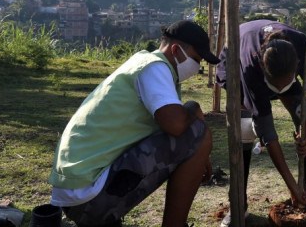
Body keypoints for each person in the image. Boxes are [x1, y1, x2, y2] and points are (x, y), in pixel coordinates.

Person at [49, 20, 218, 227]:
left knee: (194, 133)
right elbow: (176, 125)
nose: (197, 67)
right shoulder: (154, 68)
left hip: (78, 189)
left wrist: (198, 156)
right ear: (176, 50)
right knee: (199, 132)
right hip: (88, 195)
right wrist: (193, 108)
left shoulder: (144, 64)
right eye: (195, 59)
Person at [215, 20, 306, 227]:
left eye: (286, 83)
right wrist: (291, 184)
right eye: (276, 86)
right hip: (236, 61)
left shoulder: (303, 45)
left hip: (278, 64)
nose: (279, 90)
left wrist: (305, 128)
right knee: (245, 129)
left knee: (305, 119)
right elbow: (268, 131)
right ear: (265, 72)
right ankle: (239, 202)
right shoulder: (250, 67)